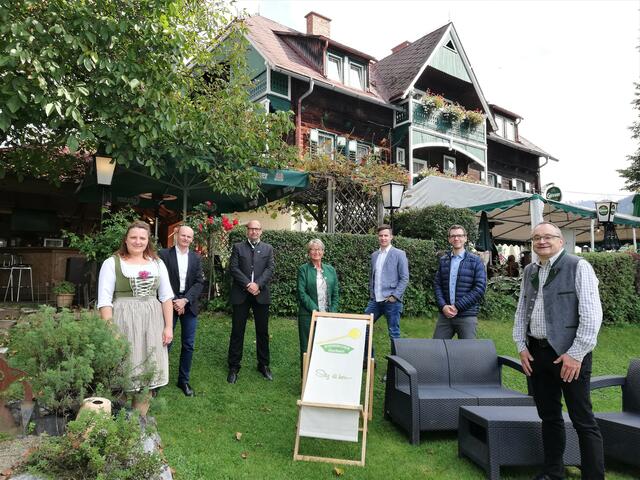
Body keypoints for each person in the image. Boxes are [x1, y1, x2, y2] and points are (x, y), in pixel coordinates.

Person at [513, 221, 604, 480]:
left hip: (570, 355)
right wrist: (521, 346)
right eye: (536, 238)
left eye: (548, 237)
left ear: (560, 241)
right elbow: (521, 311)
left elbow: (592, 315)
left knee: (582, 419)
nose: (542, 241)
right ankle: (553, 473)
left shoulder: (579, 266)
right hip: (537, 353)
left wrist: (577, 354)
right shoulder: (530, 269)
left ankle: (594, 476)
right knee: (549, 417)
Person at [97, 220, 174, 416]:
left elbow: (166, 297)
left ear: (148, 241)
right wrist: (111, 330)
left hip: (152, 322)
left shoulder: (157, 263)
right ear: (126, 239)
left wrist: (168, 327)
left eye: (142, 238)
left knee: (148, 369)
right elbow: (104, 301)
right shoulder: (111, 263)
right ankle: (119, 419)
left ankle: (139, 421)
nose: (138, 241)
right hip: (124, 321)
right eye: (133, 237)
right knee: (123, 370)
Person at [227, 220, 275, 384]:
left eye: (257, 229)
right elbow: (233, 268)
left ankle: (263, 364)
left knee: (262, 331)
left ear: (261, 231)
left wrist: (257, 285)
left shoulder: (268, 248)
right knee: (237, 331)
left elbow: (270, 269)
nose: (254, 232)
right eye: (251, 229)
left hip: (260, 294)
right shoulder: (238, 247)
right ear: (247, 231)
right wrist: (248, 284)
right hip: (241, 293)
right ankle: (234, 366)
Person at [159, 225, 204, 397]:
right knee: (165, 343)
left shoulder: (196, 258)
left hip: (189, 305)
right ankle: (159, 380)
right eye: (183, 235)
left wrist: (185, 300)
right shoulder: (164, 255)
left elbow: (199, 282)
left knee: (188, 345)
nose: (186, 239)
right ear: (177, 235)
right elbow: (161, 281)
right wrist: (173, 300)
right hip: (168, 303)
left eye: (189, 237)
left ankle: (183, 381)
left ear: (192, 240)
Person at [433, 225, 487, 339]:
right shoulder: (444, 260)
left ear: (465, 238)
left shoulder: (476, 261)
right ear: (449, 239)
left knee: (467, 353)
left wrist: (457, 306)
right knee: (437, 350)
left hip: (466, 315)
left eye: (459, 235)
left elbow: (480, 288)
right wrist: (443, 306)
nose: (456, 238)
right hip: (445, 315)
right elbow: (437, 285)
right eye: (453, 236)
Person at [365, 224, 409, 356]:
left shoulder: (399, 254)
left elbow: (404, 278)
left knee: (393, 333)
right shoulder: (374, 255)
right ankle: (368, 360)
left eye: (386, 235)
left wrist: (394, 296)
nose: (383, 238)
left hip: (392, 301)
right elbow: (372, 277)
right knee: (364, 327)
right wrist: (372, 294)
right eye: (380, 235)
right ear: (378, 237)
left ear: (391, 237)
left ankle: (395, 368)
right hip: (375, 300)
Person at [296, 239, 339, 367]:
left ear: (323, 252)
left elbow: (335, 293)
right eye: (313, 249)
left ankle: (322, 377)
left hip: (328, 315)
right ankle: (306, 380)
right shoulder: (303, 269)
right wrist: (316, 311)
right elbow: (301, 292)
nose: (316, 252)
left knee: (326, 346)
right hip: (308, 315)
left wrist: (333, 312)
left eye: (319, 249)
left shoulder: (330, 270)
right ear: (309, 253)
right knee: (307, 348)